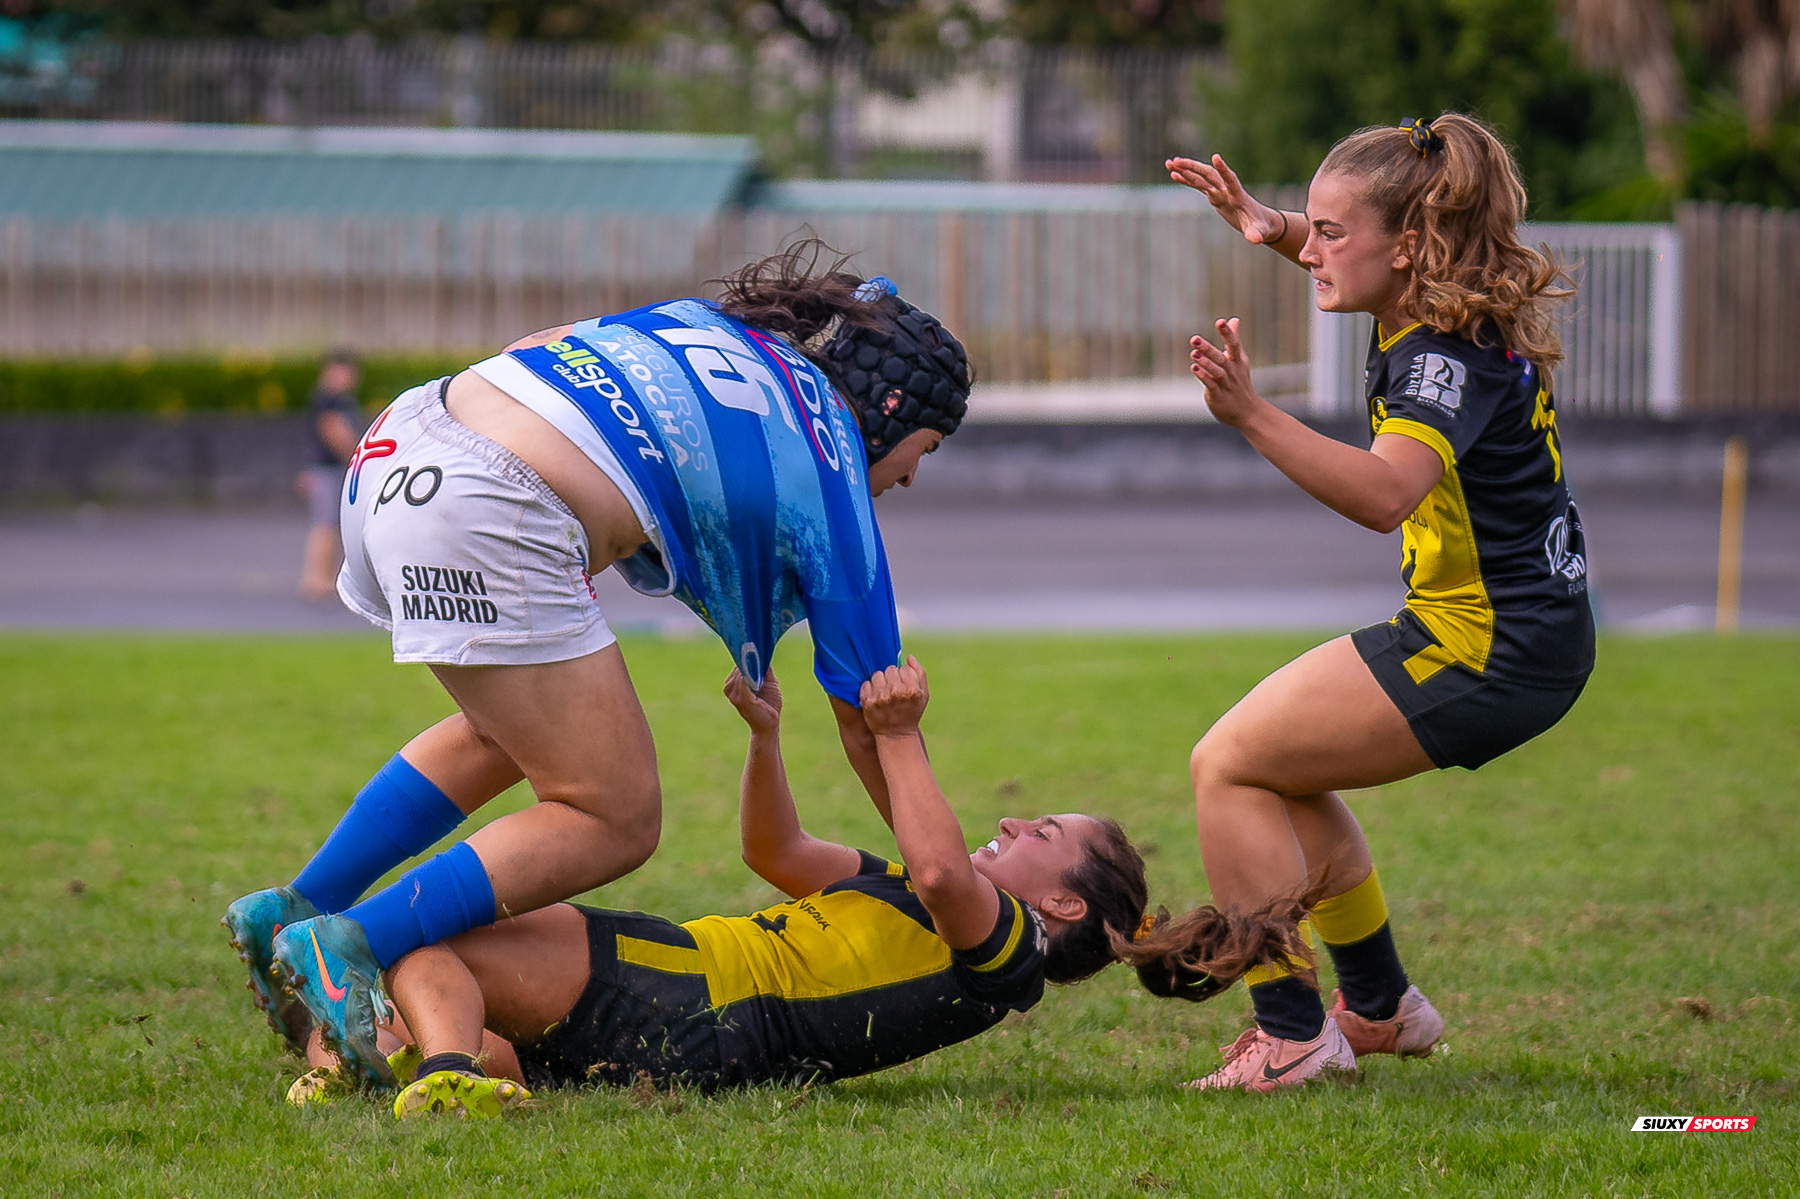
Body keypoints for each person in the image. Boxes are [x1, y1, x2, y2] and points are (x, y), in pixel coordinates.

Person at [223, 242, 975, 1088]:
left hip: (399, 447)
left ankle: (297, 904)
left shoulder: (708, 331)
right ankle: (353, 941)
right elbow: (868, 714)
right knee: (614, 812)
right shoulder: (831, 455)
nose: (910, 477)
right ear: (894, 403)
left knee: (511, 728)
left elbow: (535, 349)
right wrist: (937, 886)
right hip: (488, 500)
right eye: (928, 448)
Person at [1142, 115, 1594, 1092]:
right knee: (1283, 772)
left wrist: (1252, 414)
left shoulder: (1440, 353)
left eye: (1331, 232)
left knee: (1226, 764)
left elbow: (1387, 494)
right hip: (1498, 631)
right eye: (1313, 224)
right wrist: (1275, 226)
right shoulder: (1433, 307)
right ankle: (1383, 1007)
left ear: (1411, 245)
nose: (1315, 247)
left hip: (1491, 646)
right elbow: (1352, 251)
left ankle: (1292, 1035)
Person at [285, 660, 1151, 1117]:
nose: (1016, 823)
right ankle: (447, 1062)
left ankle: (438, 1073)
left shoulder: (1008, 953)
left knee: (429, 939)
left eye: (1044, 834)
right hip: (683, 979)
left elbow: (939, 866)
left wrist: (900, 735)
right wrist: (765, 740)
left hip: (701, 1009)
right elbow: (774, 849)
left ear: (1066, 904)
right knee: (437, 944)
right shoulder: (919, 901)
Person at [296, 351, 361, 601]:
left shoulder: (331, 398)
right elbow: (333, 430)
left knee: (329, 523)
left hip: (326, 469)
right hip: (328, 469)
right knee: (325, 524)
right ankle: (316, 578)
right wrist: (354, 456)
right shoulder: (330, 399)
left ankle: (323, 576)